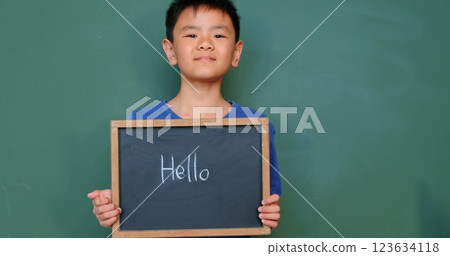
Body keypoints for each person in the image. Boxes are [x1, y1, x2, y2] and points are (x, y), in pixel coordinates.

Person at [88, 0, 282, 230]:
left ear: (236, 52)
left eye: (219, 36)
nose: (205, 44)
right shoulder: (140, 126)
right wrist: (111, 208)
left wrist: (269, 213)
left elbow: (266, 201)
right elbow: (131, 200)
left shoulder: (255, 129)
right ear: (171, 51)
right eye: (191, 35)